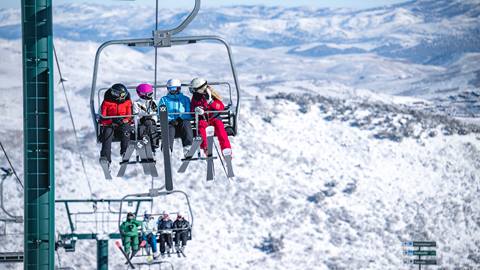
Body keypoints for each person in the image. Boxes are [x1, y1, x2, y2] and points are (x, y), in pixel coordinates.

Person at [189, 78, 232, 157]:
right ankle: (206, 147)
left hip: (214, 118)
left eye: (194, 89)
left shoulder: (212, 94)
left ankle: (226, 150)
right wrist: (196, 110)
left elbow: (221, 107)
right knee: (201, 127)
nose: (193, 91)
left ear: (200, 88)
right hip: (203, 119)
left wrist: (211, 101)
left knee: (221, 131)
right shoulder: (195, 97)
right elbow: (192, 109)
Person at [99, 83, 133, 165]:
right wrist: (112, 120)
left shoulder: (127, 102)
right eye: (122, 95)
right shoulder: (107, 102)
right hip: (110, 124)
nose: (123, 96)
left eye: (124, 94)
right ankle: (105, 158)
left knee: (126, 130)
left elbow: (129, 116)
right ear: (115, 94)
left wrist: (124, 120)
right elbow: (103, 117)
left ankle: (125, 152)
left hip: (122, 124)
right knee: (107, 133)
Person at [159, 79, 194, 156]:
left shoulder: (185, 99)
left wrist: (181, 118)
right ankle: (167, 148)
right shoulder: (164, 100)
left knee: (186, 124)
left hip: (182, 121)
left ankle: (187, 147)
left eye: (175, 89)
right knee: (168, 129)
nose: (173, 91)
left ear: (179, 88)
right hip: (170, 122)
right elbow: (161, 112)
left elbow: (188, 112)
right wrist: (169, 119)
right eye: (170, 89)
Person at [133, 83, 159, 151]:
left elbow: (155, 113)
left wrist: (153, 119)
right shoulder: (137, 103)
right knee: (142, 129)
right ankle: (143, 145)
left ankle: (154, 145)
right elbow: (135, 116)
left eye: (150, 93)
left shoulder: (153, 102)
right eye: (148, 94)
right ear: (141, 94)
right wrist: (140, 119)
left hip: (151, 122)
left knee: (151, 127)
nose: (149, 95)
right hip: (141, 123)